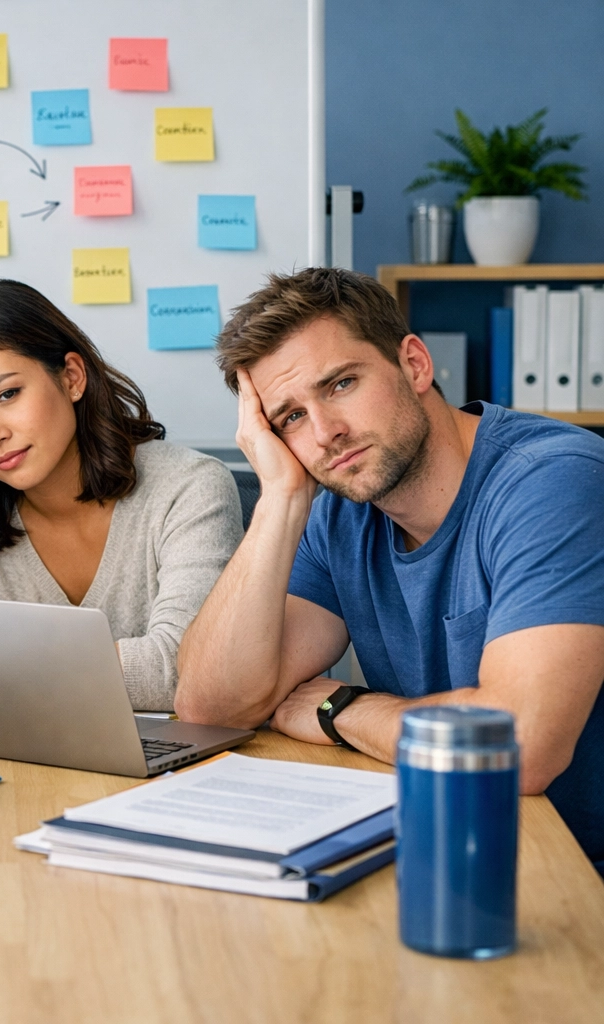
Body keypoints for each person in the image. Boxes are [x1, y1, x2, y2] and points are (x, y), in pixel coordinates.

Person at [175, 267, 604, 871]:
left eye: (341, 383)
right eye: (290, 417)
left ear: (414, 364)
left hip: (574, 877)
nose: (326, 433)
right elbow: (214, 708)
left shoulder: (553, 481)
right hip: (457, 846)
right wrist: (280, 497)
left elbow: (518, 748)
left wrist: (342, 707)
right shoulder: (338, 517)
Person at [0, 279, 243, 711]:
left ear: (71, 377)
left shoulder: (189, 487)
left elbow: (179, 671)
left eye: (7, 394)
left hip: (169, 768)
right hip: (18, 763)